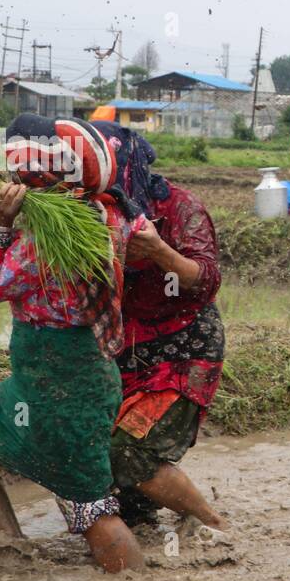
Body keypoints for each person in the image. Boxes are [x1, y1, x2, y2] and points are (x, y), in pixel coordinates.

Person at [0, 115, 145, 573]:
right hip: (71, 376)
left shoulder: (49, 240)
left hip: (59, 382)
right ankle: (12, 552)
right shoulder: (111, 212)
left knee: (88, 507)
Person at [90, 120, 229, 533]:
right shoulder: (87, 210)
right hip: (122, 352)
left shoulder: (178, 208)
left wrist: (159, 250)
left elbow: (205, 279)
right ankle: (138, 537)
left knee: (130, 451)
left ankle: (212, 526)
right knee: (114, 476)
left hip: (183, 351)